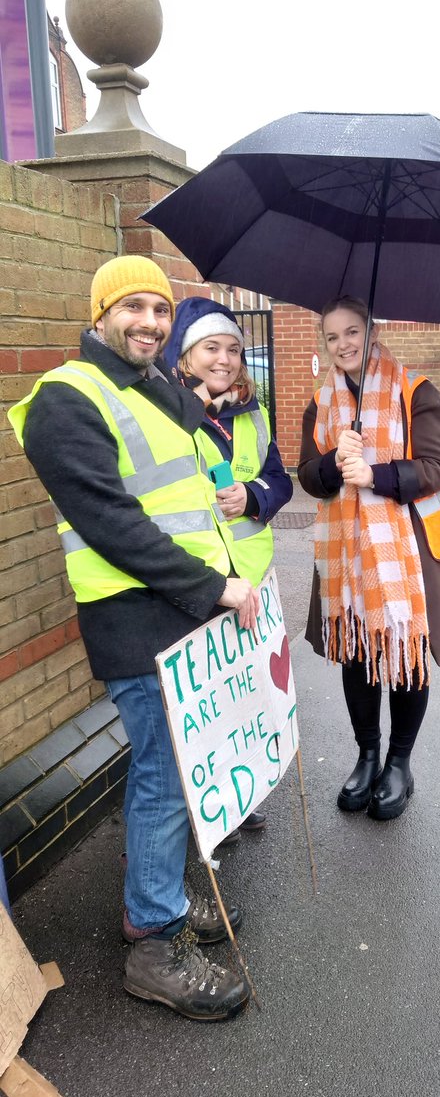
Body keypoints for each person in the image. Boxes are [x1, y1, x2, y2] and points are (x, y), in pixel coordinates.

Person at [8, 256, 260, 1023]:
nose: (150, 321)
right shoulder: (67, 397)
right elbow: (110, 521)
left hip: (182, 617)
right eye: (133, 307)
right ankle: (154, 941)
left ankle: (165, 899)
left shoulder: (157, 389)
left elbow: (194, 487)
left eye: (159, 308)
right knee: (160, 776)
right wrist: (216, 586)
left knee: (178, 774)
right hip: (137, 618)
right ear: (99, 315)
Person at [298, 296, 440, 821]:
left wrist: (376, 475)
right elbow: (308, 476)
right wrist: (337, 466)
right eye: (333, 336)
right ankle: (367, 755)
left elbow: (437, 467)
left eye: (352, 332)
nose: (343, 345)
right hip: (345, 554)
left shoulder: (416, 392)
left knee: (404, 652)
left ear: (372, 331)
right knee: (359, 651)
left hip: (412, 551)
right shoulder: (322, 403)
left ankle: (400, 763)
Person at [164, 297, 293, 841]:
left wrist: (255, 495)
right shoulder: (167, 410)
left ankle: (237, 796)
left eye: (233, 349)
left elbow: (280, 479)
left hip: (251, 582)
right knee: (205, 708)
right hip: (199, 585)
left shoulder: (253, 413)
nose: (224, 359)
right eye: (211, 348)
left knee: (242, 695)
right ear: (186, 355)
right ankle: (205, 809)